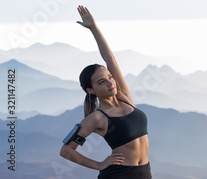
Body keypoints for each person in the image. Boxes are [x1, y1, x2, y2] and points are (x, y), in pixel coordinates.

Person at [59, 5, 152, 179]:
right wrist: (99, 165)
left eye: (110, 77)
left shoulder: (124, 98)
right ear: (91, 90)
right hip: (118, 175)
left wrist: (93, 28)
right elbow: (66, 150)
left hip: (144, 173)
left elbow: (110, 59)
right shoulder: (96, 118)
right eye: (102, 82)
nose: (110, 82)